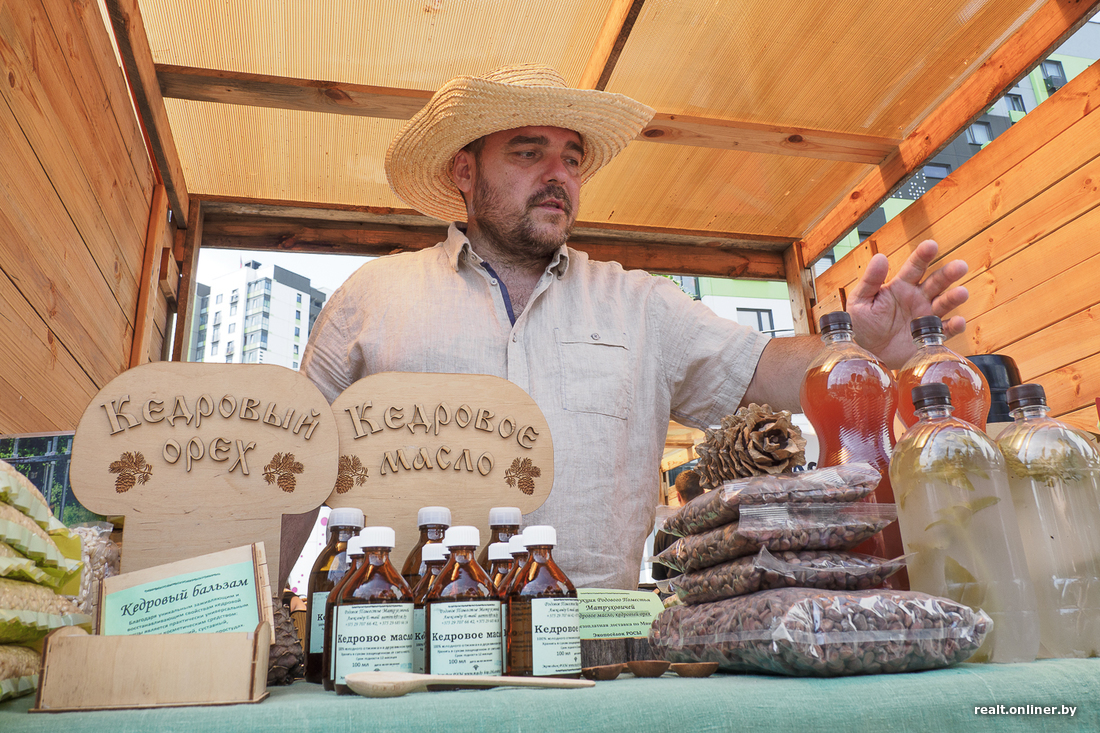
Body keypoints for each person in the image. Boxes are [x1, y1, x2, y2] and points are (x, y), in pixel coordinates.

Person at [294, 64, 969, 591]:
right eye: (529, 153)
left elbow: (763, 372)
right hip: (401, 636)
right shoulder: (370, 298)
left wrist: (860, 346)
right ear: (464, 172)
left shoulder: (641, 304)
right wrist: (262, 619)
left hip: (599, 650)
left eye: (572, 158)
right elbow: (294, 470)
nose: (558, 175)